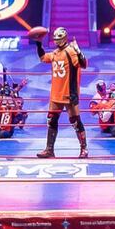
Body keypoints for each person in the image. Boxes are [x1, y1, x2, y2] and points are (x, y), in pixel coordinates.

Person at [35, 27, 88, 158]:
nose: (56, 41)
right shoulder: (55, 53)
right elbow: (43, 58)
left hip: (69, 93)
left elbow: (84, 64)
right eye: (55, 39)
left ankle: (84, 149)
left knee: (75, 121)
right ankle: (49, 150)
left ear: (64, 38)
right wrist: (38, 43)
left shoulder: (70, 51)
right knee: (51, 120)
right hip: (55, 94)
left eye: (58, 39)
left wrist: (78, 50)